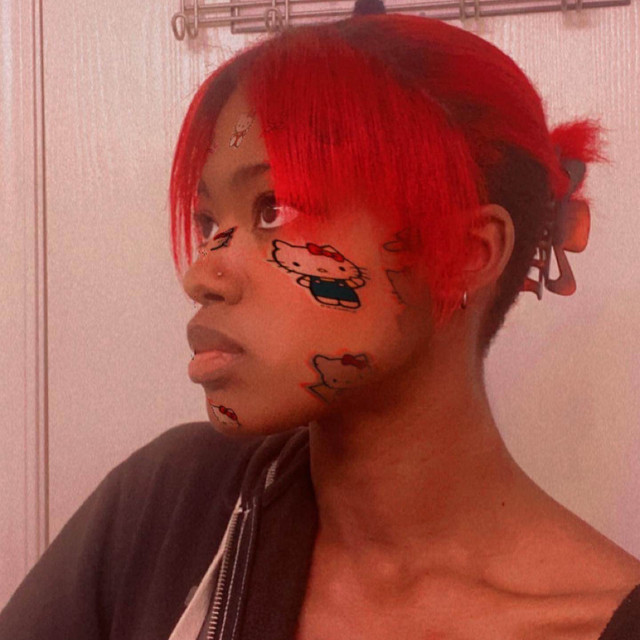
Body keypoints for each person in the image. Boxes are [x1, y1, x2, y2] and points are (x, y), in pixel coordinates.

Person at [2, 4, 639, 639]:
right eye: (208, 222)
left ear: (466, 253)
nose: (200, 275)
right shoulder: (170, 512)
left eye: (274, 209)